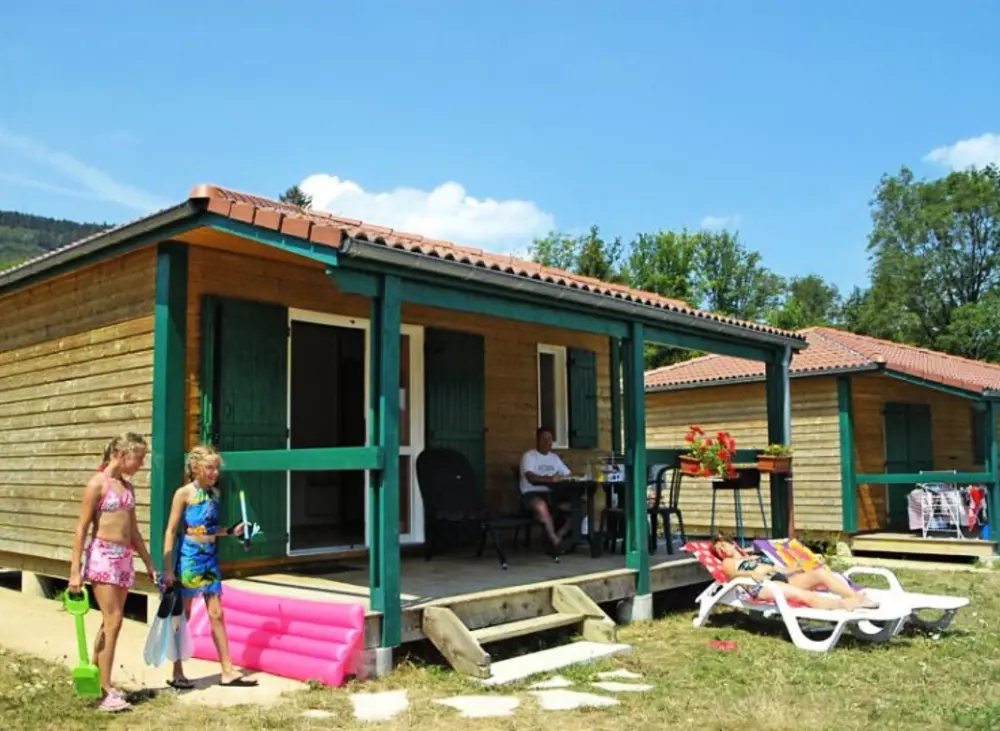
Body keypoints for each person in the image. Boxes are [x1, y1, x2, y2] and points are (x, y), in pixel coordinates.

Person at [69, 432, 157, 713]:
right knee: (114, 620)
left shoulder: (128, 487)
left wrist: (149, 563)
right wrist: (74, 572)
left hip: (124, 559)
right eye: (139, 457)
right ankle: (107, 691)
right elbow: (81, 528)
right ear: (121, 454)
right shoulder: (98, 484)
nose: (141, 464)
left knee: (110, 622)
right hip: (103, 557)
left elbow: (134, 531)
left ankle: (95, 681)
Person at [162, 444, 257, 689]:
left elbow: (210, 529)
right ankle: (177, 671)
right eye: (209, 467)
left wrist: (231, 531)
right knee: (183, 615)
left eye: (216, 468)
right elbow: (171, 531)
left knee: (217, 614)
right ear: (195, 468)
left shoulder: (216, 494)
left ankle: (227, 670)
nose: (214, 472)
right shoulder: (184, 493)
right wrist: (168, 568)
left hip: (210, 559)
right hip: (189, 560)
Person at [711, 536, 879, 611]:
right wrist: (749, 574)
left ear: (732, 544)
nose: (722, 551)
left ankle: (855, 597)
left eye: (722, 546)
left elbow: (780, 569)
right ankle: (844, 605)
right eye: (718, 551)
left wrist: (800, 567)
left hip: (779, 578)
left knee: (819, 573)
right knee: (805, 596)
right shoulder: (728, 562)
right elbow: (731, 576)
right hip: (761, 585)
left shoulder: (754, 556)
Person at [519, 426, 577, 554]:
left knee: (581, 505)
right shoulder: (529, 456)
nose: (547, 442)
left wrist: (563, 478)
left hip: (552, 495)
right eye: (544, 439)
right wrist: (550, 479)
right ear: (537, 440)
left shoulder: (554, 458)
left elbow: (568, 474)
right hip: (531, 494)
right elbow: (530, 477)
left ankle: (560, 534)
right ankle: (554, 540)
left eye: (550, 439)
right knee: (541, 506)